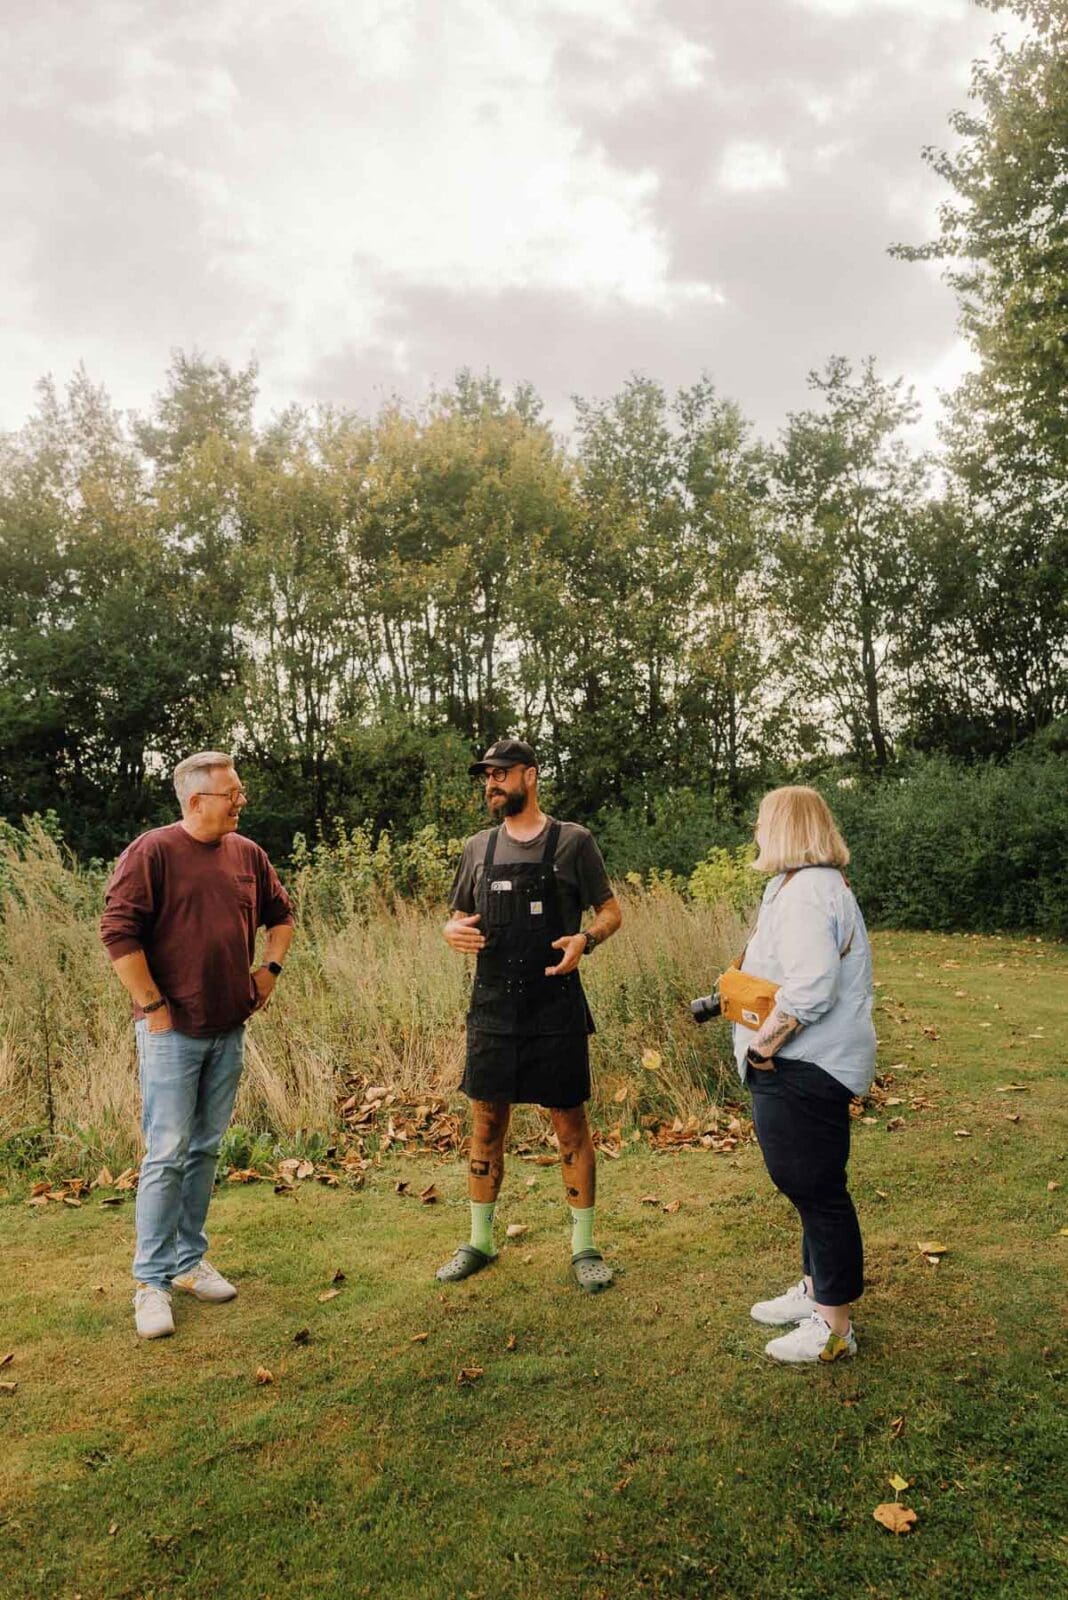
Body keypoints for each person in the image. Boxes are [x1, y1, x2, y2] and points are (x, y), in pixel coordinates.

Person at [100, 751, 294, 1340]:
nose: (241, 801)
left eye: (239, 791)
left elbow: (282, 916)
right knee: (167, 1153)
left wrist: (269, 971)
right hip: (171, 1034)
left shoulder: (247, 854)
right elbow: (118, 933)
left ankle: (188, 1262)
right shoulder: (152, 852)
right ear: (195, 801)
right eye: (231, 794)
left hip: (227, 1027)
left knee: (205, 1149)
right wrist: (154, 1006)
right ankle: (151, 1282)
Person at [438, 739, 622, 1292]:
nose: (491, 784)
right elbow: (456, 918)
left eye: (500, 774)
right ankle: (479, 1241)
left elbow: (611, 911)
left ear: (531, 775)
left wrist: (586, 940)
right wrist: (450, 931)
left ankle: (584, 1247)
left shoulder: (573, 842)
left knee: (570, 1126)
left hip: (555, 1006)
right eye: (486, 777)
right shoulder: (477, 848)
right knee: (486, 1124)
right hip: (492, 1008)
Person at [734, 785, 876, 1363]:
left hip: (805, 1065)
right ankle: (817, 1291)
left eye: (763, 821)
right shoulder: (797, 885)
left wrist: (762, 1050)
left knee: (817, 1190)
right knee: (808, 1185)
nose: (756, 831)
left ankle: (834, 1328)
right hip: (805, 1063)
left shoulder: (808, 893)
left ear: (785, 828)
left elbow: (814, 986)